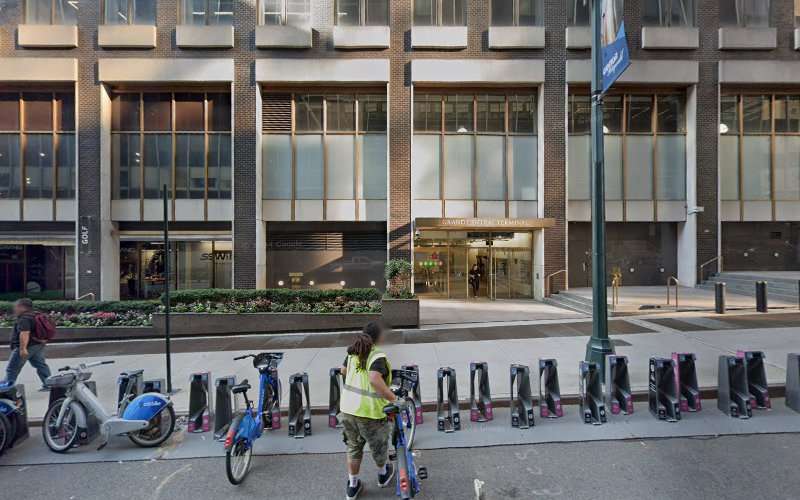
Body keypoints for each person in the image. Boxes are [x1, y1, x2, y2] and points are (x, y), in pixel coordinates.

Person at [339, 321, 396, 500]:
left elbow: (343, 371)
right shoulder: (376, 355)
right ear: (378, 337)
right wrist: (392, 398)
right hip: (369, 412)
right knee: (378, 445)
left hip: (348, 409)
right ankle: (383, 474)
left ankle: (353, 485)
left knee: (353, 447)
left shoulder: (352, 352)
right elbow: (373, 379)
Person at [2, 298, 51, 390]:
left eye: (16, 306)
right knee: (40, 365)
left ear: (22, 307)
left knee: (12, 369)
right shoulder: (35, 314)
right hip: (37, 345)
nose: (14, 309)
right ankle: (49, 384)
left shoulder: (24, 318)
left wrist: (22, 348)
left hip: (27, 346)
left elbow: (25, 333)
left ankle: (5, 389)